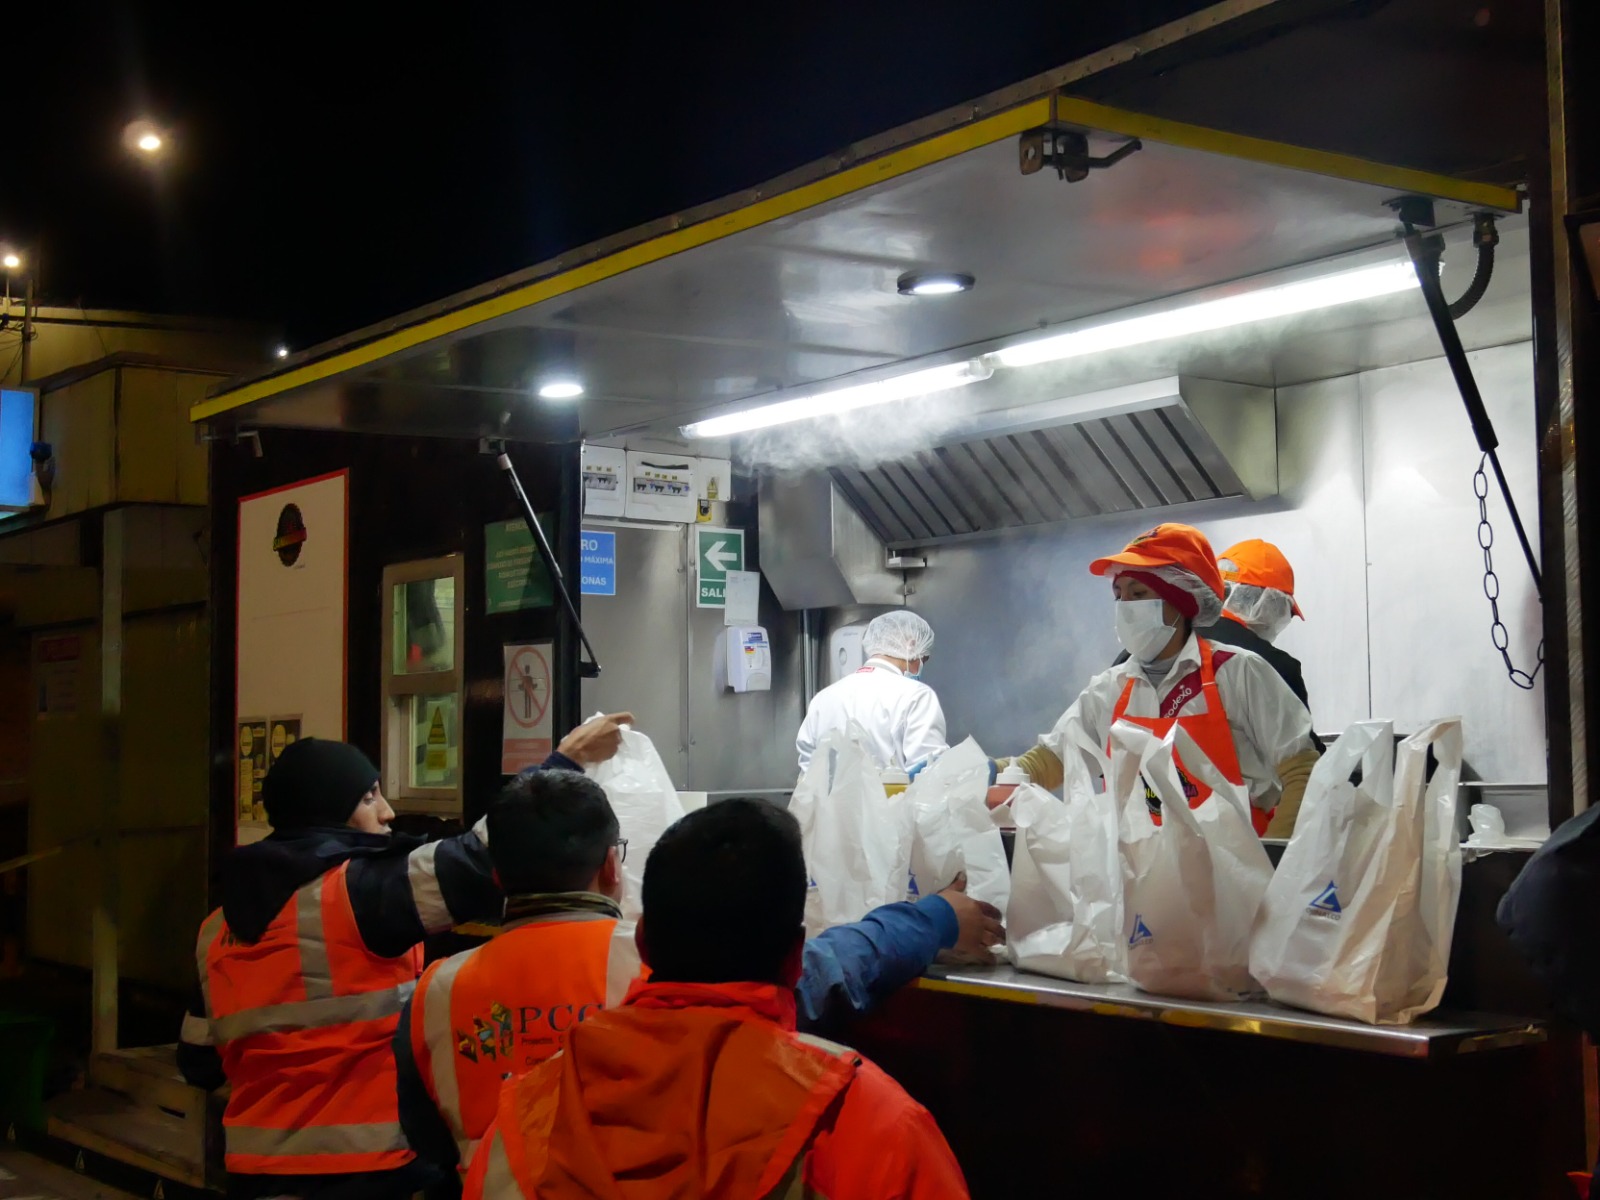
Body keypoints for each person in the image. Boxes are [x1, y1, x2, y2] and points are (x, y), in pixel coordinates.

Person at [396, 771, 1003, 1190]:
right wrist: (936, 915)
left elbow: (426, 1144)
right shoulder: (865, 1124)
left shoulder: (447, 1012)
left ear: (497, 877)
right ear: (613, 866)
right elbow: (841, 964)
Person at [178, 714, 633, 1200]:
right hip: (370, 1174)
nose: (388, 812)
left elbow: (198, 1061)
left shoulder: (216, 928)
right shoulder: (354, 894)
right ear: (331, 809)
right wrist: (567, 761)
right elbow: (483, 857)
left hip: (253, 1175)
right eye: (370, 797)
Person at [1005, 523, 1318, 836]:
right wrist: (990, 775)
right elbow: (1050, 760)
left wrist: (1273, 861)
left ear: (1179, 599)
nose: (1126, 607)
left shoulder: (1238, 672)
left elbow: (1301, 769)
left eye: (1139, 594)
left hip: (1236, 877)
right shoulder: (1110, 689)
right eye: (1119, 596)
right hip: (1142, 878)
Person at [796, 610, 947, 773]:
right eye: (923, 659)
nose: (921, 667)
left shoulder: (823, 699)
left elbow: (808, 773)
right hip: (894, 799)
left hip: (830, 799)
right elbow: (931, 773)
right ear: (911, 646)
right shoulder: (916, 695)